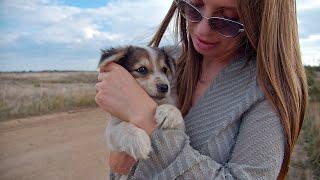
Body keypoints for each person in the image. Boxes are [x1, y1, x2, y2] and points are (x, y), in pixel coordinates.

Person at [95, 0, 308, 179]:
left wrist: (150, 124)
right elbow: (120, 166)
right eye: (194, 7)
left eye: (227, 20)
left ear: (259, 21)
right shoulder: (169, 61)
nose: (202, 30)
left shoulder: (265, 93)